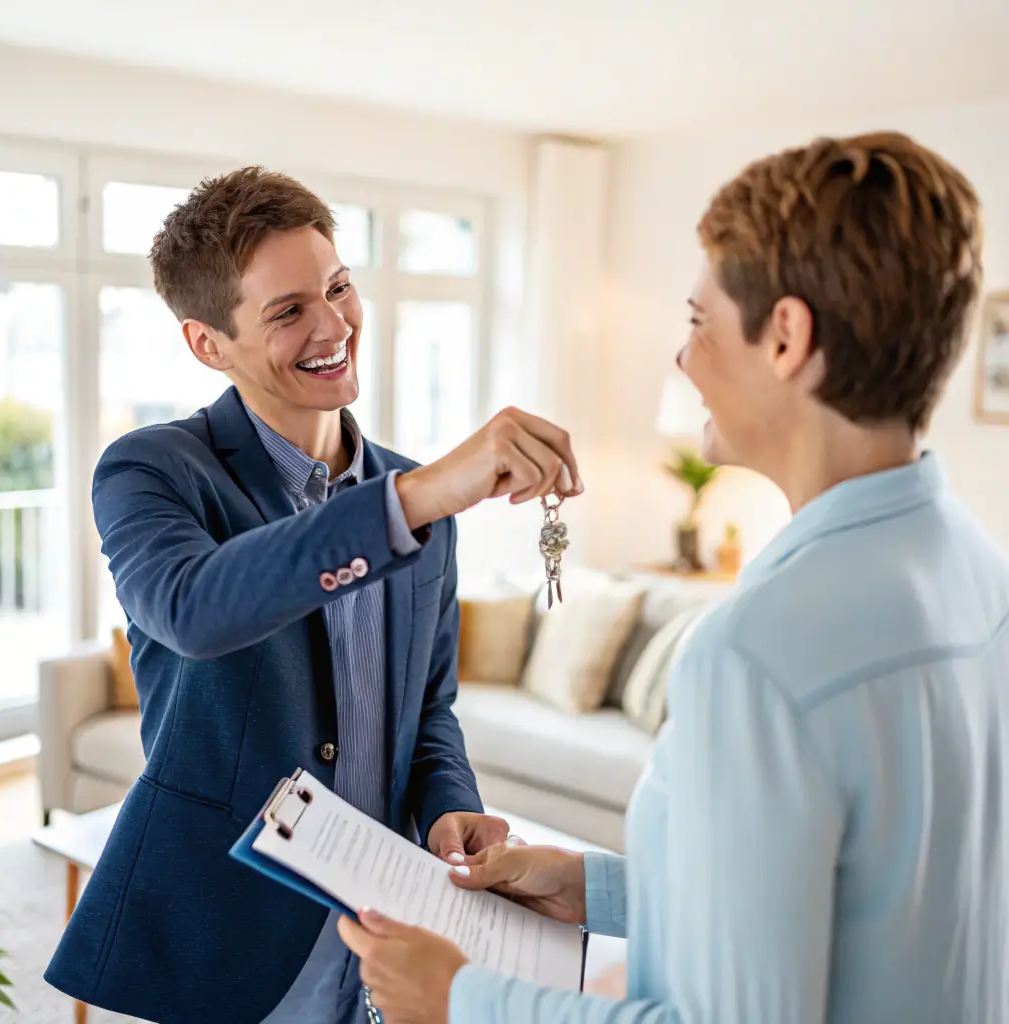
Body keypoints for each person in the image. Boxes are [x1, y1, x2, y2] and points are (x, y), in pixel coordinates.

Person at [337, 131, 1009, 1023]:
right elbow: (858, 899)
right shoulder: (978, 571)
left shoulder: (758, 653)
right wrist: (594, 889)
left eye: (697, 323)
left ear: (785, 337)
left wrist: (461, 1000)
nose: (683, 360)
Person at [43, 167, 583, 1024]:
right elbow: (194, 609)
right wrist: (419, 498)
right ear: (207, 343)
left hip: (392, 920)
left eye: (336, 288)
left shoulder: (414, 496)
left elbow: (428, 706)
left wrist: (452, 806)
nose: (335, 326)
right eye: (289, 311)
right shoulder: (152, 470)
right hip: (232, 930)